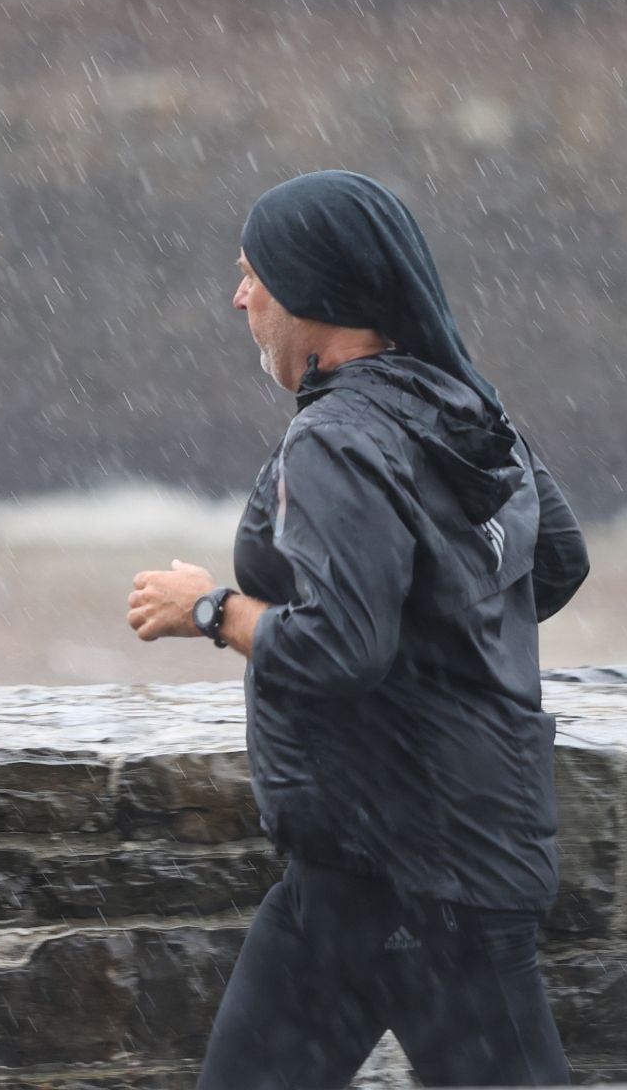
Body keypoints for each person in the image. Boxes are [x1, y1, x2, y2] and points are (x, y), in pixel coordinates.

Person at [126, 170, 590, 1089]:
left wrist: (214, 611)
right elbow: (556, 564)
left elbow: (343, 646)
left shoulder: (336, 438)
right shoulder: (465, 404)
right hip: (365, 867)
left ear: (309, 290)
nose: (241, 295)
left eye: (253, 272)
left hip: (424, 870)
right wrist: (441, 634)